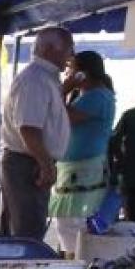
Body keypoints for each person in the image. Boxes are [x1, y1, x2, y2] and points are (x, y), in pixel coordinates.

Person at [0, 27, 74, 240]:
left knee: (24, 230)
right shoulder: (35, 80)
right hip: (26, 164)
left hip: (29, 162)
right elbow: (29, 129)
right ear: (51, 49)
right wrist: (45, 165)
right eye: (69, 49)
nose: (71, 57)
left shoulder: (44, 78)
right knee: (27, 235)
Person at [49, 51, 116, 253]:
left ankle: (78, 266)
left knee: (72, 224)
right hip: (76, 168)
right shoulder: (88, 95)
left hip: (84, 169)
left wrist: (63, 90)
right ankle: (75, 262)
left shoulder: (97, 96)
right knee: (68, 224)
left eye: (72, 68)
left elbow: (62, 116)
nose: (68, 72)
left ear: (83, 73)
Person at [111, 95, 135, 222]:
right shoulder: (129, 116)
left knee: (131, 223)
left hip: (132, 176)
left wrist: (121, 162)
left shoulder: (129, 115)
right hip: (132, 176)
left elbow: (114, 141)